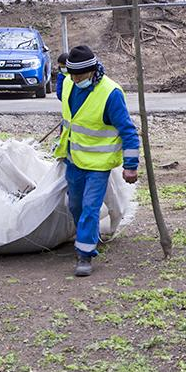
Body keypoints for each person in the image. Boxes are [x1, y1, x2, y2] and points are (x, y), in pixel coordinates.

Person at [55, 45, 140, 277]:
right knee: (75, 205)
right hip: (73, 159)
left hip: (98, 165)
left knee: (90, 208)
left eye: (79, 74)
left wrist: (131, 166)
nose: (74, 78)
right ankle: (87, 238)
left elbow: (128, 131)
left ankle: (85, 255)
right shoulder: (70, 83)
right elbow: (61, 90)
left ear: (92, 71)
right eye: (71, 74)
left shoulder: (111, 93)